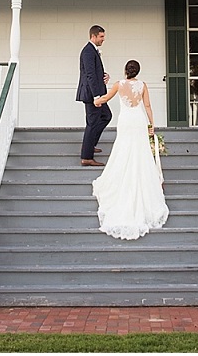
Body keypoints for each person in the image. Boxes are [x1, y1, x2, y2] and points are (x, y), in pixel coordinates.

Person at [90, 59, 170, 240]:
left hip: (126, 121)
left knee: (124, 150)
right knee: (140, 153)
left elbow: (106, 98)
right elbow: (147, 106)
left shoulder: (119, 84)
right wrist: (151, 124)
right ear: (138, 71)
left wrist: (97, 101)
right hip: (138, 120)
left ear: (126, 70)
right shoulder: (143, 85)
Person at [76, 25, 110, 166]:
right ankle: (86, 157)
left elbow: (94, 72)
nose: (103, 39)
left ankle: (89, 145)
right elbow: (89, 75)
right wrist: (96, 96)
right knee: (92, 123)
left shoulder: (92, 51)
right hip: (92, 95)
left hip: (97, 93)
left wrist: (104, 76)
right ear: (93, 36)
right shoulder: (88, 51)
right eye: (101, 36)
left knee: (106, 116)